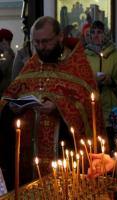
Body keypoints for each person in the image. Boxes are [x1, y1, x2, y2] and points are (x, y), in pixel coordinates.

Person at [0, 16, 105, 190]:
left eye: (46, 42)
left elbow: (89, 105)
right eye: (37, 43)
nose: (41, 47)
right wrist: (11, 107)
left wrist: (59, 106)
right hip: (28, 156)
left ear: (60, 37)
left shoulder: (78, 65)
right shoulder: (32, 65)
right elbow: (10, 94)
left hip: (64, 152)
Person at [84, 20, 117, 134]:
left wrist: (112, 81)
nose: (96, 35)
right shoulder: (84, 55)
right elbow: (79, 81)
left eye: (100, 32)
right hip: (91, 110)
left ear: (106, 34)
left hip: (112, 110)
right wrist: (93, 81)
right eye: (93, 32)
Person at [0, 28, 15, 97]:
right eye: (8, 40)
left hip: (9, 91)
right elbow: (2, 69)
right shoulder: (7, 53)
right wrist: (6, 51)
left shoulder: (10, 53)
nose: (10, 43)